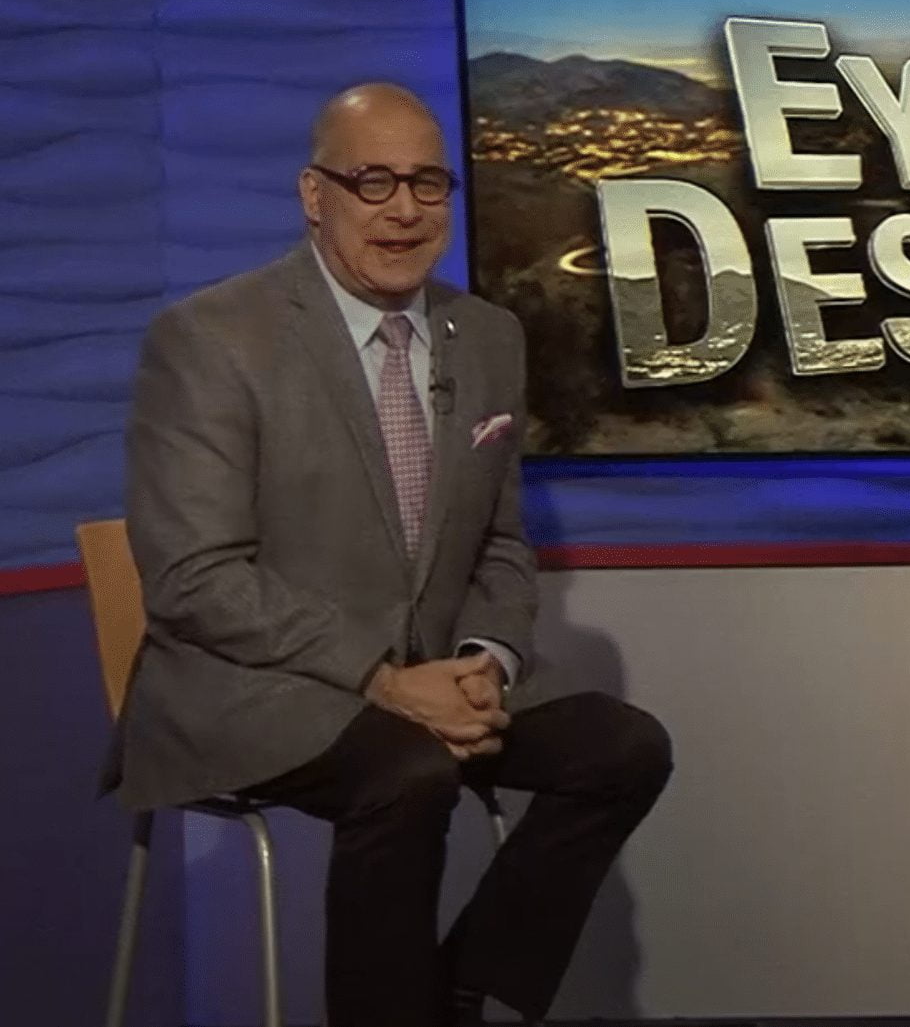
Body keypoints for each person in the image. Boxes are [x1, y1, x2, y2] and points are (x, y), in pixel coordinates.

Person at [107, 83, 673, 1027]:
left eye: (427, 182)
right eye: (373, 181)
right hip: (255, 684)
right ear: (313, 193)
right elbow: (191, 579)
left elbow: (499, 542)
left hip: (429, 679)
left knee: (623, 748)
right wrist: (379, 676)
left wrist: (485, 661)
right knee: (409, 770)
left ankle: (457, 991)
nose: (404, 209)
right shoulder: (212, 338)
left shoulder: (487, 336)